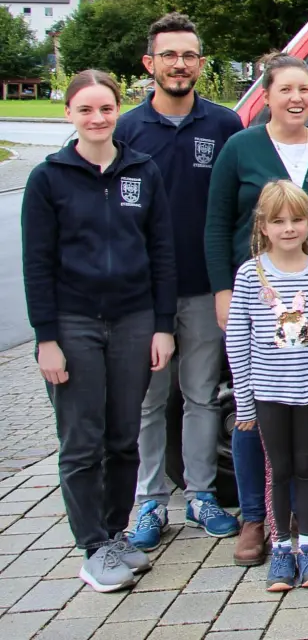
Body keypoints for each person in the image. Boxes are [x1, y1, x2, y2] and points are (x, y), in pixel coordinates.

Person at [23, 69, 176, 593]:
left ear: (119, 111)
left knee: (123, 436)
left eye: (105, 109)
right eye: (85, 110)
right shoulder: (49, 179)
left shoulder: (143, 170)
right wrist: (47, 338)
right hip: (74, 323)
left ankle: (115, 534)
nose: (97, 118)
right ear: (69, 114)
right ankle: (91, 548)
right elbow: (36, 264)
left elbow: (161, 252)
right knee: (82, 441)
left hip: (134, 319)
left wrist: (162, 326)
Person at [206, 53, 308, 565]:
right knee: (253, 410)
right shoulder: (240, 147)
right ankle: (255, 518)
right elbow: (216, 221)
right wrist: (222, 290)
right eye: (285, 89)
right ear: (265, 95)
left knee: (307, 411)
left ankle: (306, 513)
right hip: (259, 297)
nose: (296, 98)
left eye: (303, 89)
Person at [118, 14, 243, 552]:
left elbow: (235, 212)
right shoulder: (127, 129)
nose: (179, 64)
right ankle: (149, 501)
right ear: (150, 64)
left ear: (200, 63)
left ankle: (200, 494)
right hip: (144, 295)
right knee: (149, 400)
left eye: (189, 55)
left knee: (200, 396)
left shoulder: (224, 126)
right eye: (169, 55)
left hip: (201, 287)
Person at [222, 180, 308, 592]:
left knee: (306, 468)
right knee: (279, 469)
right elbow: (237, 339)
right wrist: (246, 403)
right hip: (268, 394)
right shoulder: (251, 275)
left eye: (297, 220)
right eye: (278, 221)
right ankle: (281, 549)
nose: (288, 228)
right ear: (263, 227)